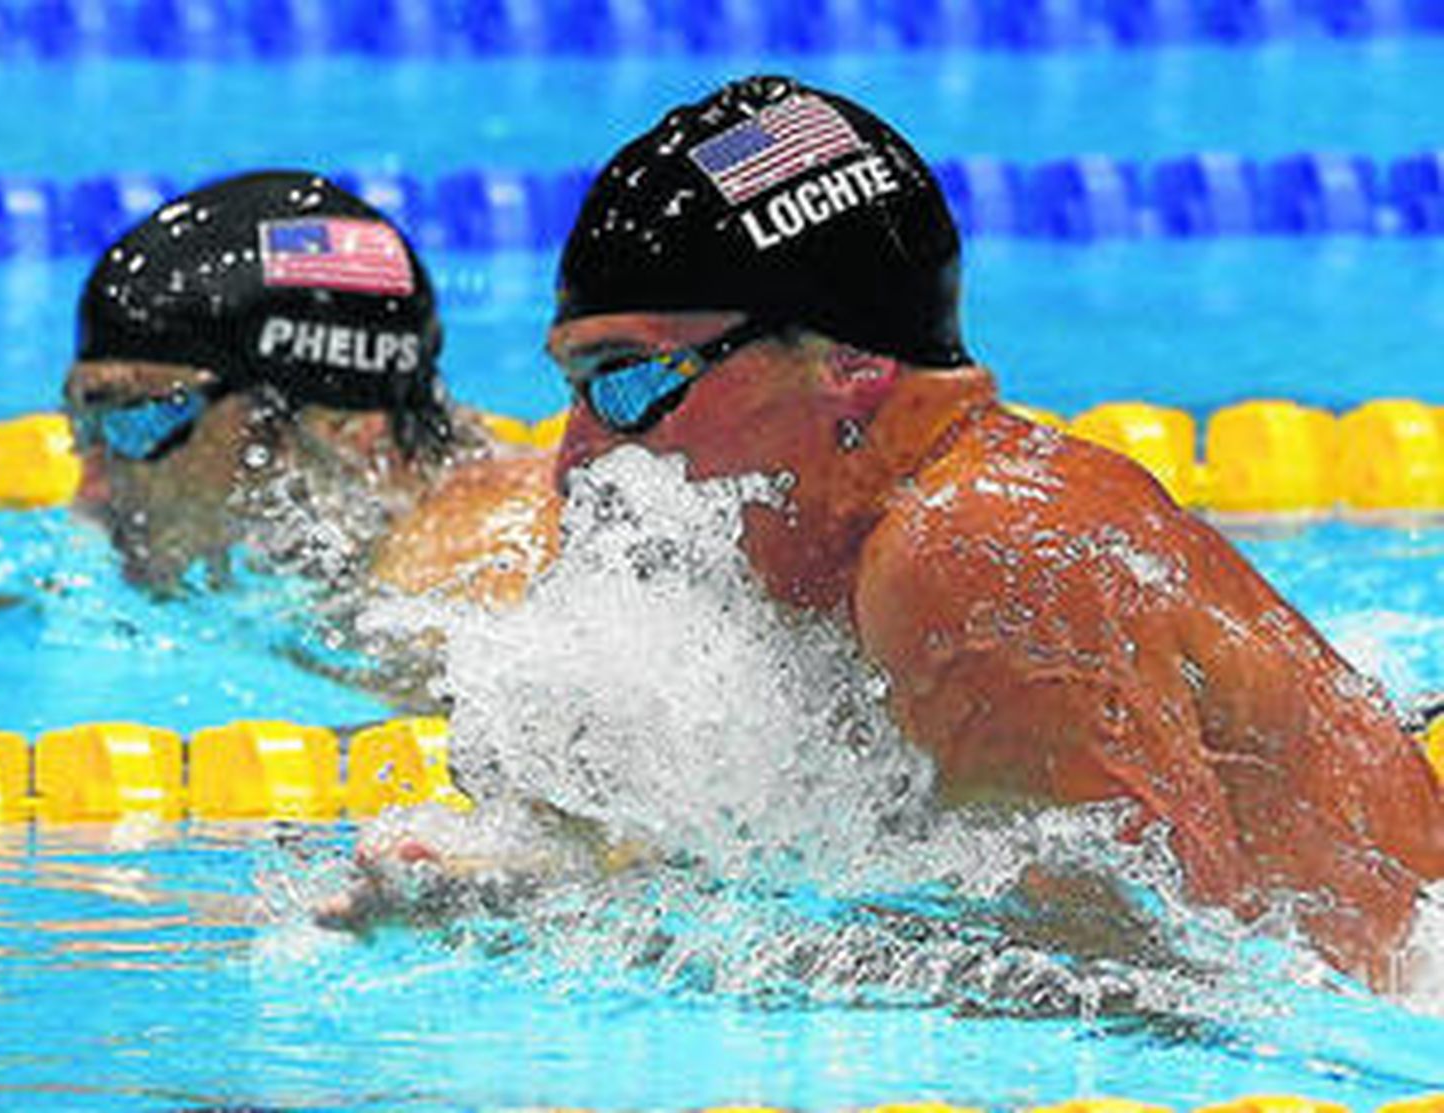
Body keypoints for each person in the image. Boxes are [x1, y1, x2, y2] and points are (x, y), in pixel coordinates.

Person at [332, 77, 1443, 992]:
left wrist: (594, 921)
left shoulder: (973, 544)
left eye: (626, 381)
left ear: (849, 362)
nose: (577, 456)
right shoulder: (838, 557)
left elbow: (1152, 981)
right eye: (576, 393)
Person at [65, 169, 553, 603]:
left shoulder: (477, 586)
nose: (90, 490)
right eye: (84, 428)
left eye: (140, 420)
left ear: (338, 426)